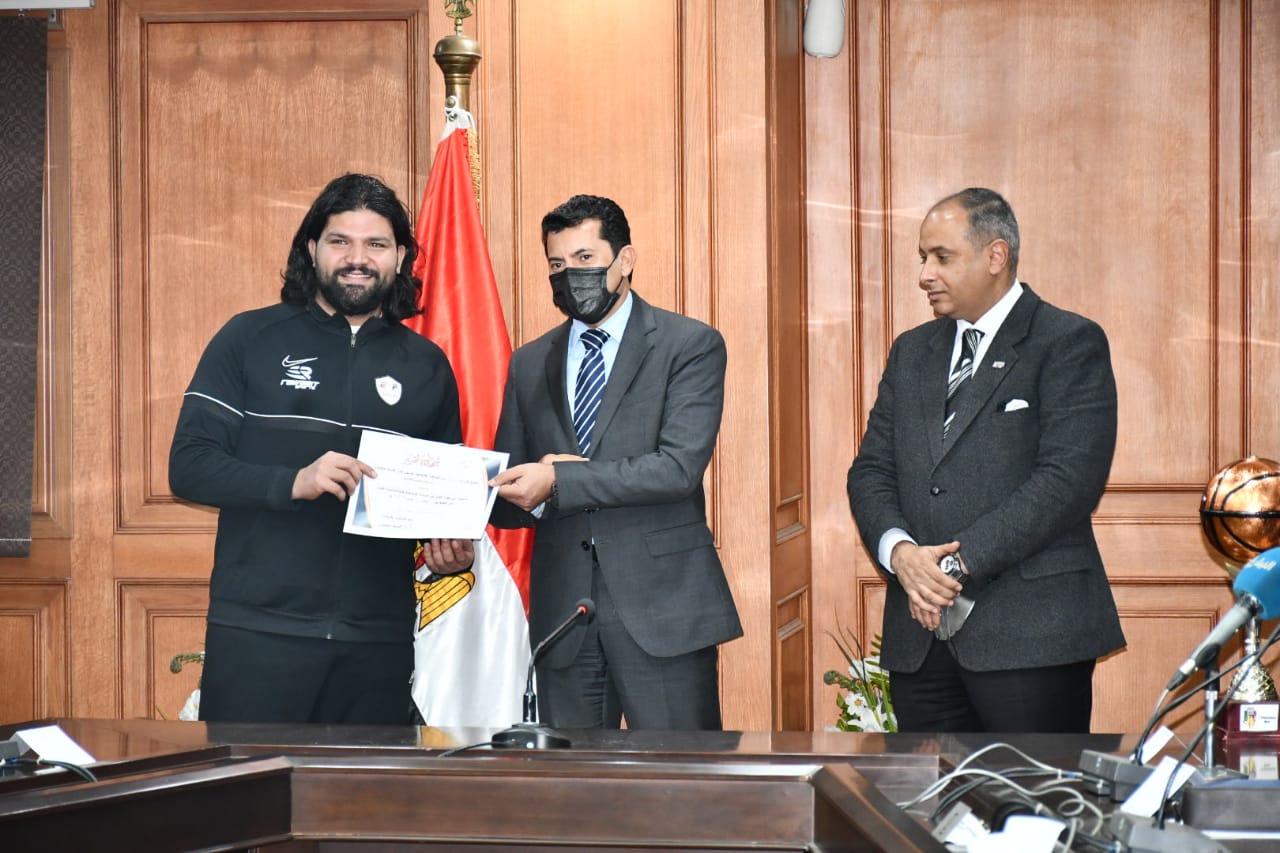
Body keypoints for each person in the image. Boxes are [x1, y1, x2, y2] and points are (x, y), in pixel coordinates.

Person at [169, 173, 474, 725]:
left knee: (361, 786)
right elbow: (189, 466)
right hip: (258, 633)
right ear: (312, 249)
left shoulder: (427, 365)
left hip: (377, 643)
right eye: (340, 241)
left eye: (376, 244)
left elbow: (441, 501)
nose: (357, 259)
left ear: (400, 257)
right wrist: (293, 482)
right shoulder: (248, 338)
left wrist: (449, 553)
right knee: (247, 784)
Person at [847, 187, 1125, 733]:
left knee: (1033, 788)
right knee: (933, 790)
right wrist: (901, 555)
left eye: (941, 257)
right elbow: (871, 470)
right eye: (923, 257)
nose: (925, 274)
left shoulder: (1068, 341)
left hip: (1031, 637)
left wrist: (950, 569)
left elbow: (1067, 482)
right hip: (920, 642)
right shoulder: (912, 351)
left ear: (996, 256)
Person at [489, 194, 741, 730]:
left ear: (624, 259)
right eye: (557, 264)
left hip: (663, 608)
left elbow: (676, 469)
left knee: (678, 773)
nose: (569, 275)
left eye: (584, 259)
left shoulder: (689, 345)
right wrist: (485, 490)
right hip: (564, 615)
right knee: (574, 778)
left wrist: (560, 478)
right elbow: (510, 500)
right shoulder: (529, 362)